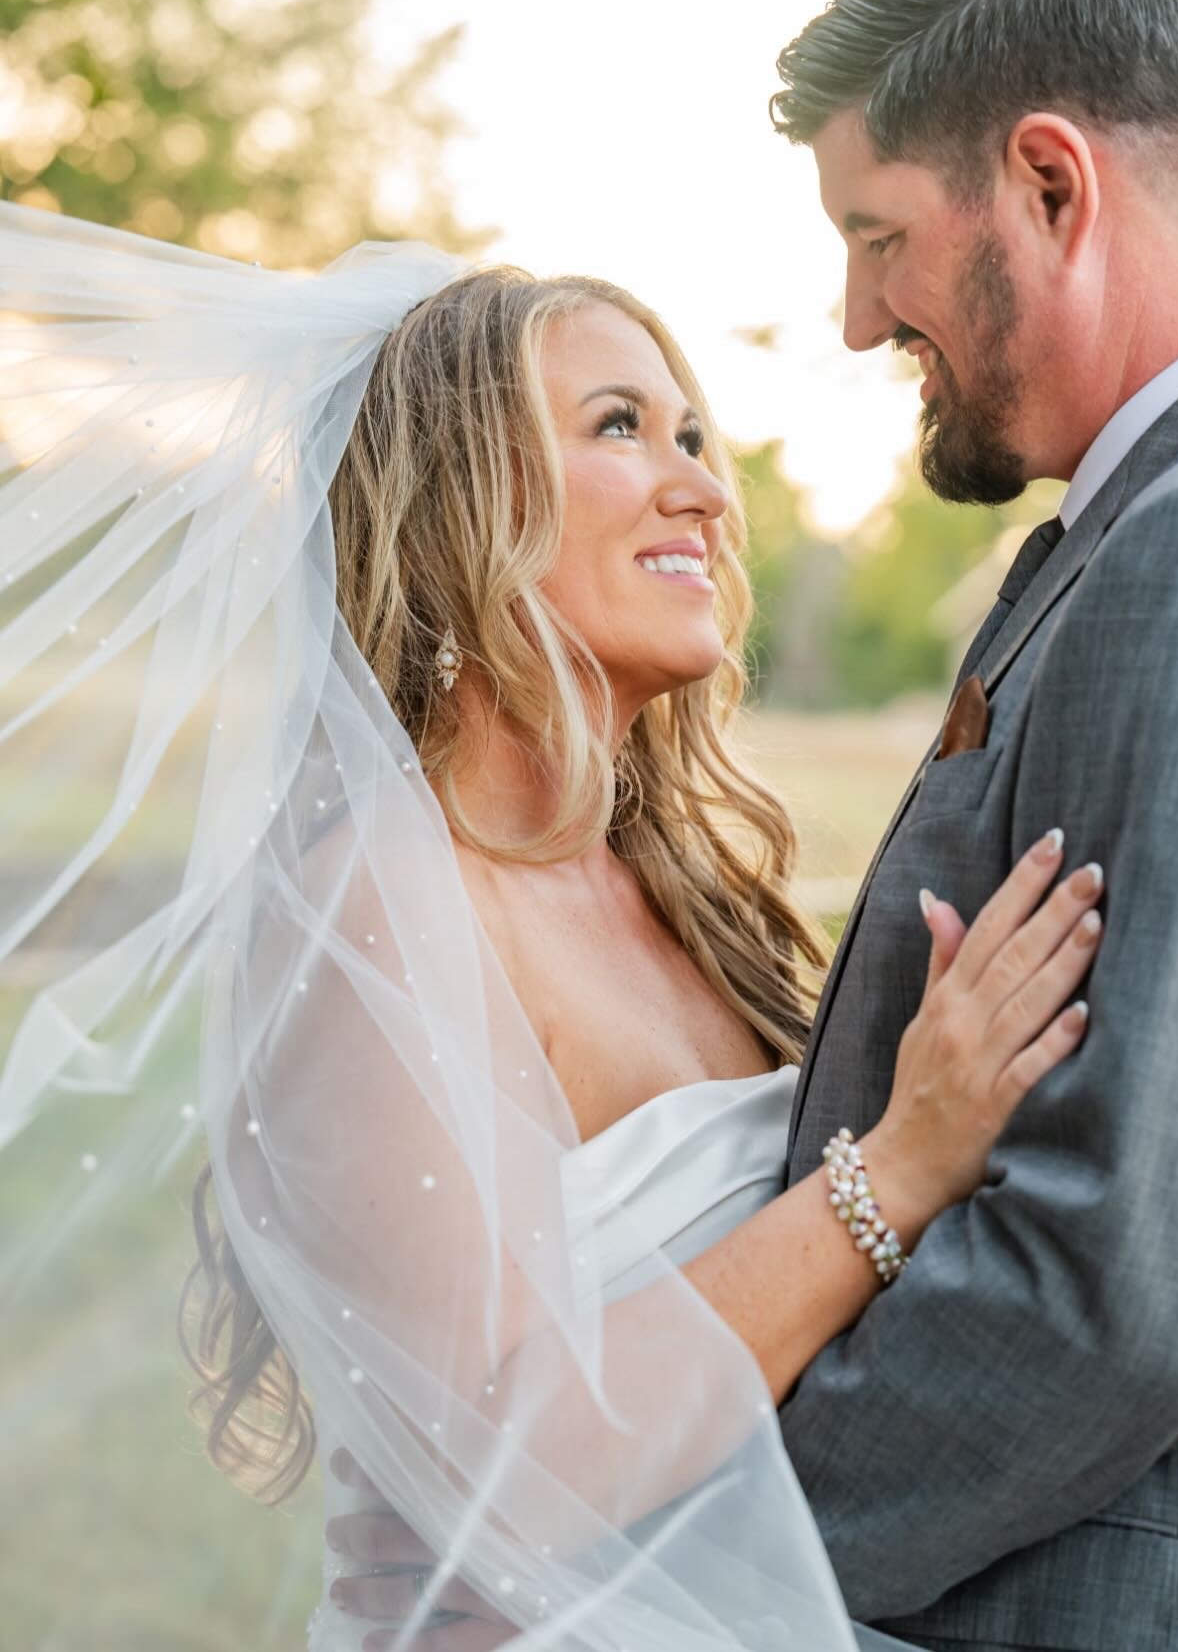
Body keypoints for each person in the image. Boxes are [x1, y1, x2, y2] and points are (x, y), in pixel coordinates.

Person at [0, 212, 1099, 1652]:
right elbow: (510, 1468)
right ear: (468, 501)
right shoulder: (376, 906)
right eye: (620, 426)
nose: (699, 489)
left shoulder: (688, 891)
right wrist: (892, 1167)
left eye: (693, 437)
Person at [757, 0, 1178, 1649]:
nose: (858, 318)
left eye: (876, 238)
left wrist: (712, 1566)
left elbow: (1123, 1283)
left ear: (1046, 182)